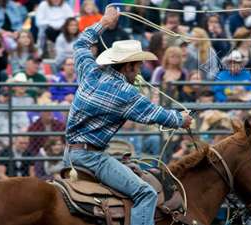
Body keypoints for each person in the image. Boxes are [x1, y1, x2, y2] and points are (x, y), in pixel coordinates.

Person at [63, 7, 193, 225]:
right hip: (91, 158)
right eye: (138, 66)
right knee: (146, 193)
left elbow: (80, 44)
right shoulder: (125, 92)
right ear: (129, 66)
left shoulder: (90, 70)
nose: (140, 71)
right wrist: (182, 120)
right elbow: (155, 114)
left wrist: (103, 22)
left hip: (70, 154)